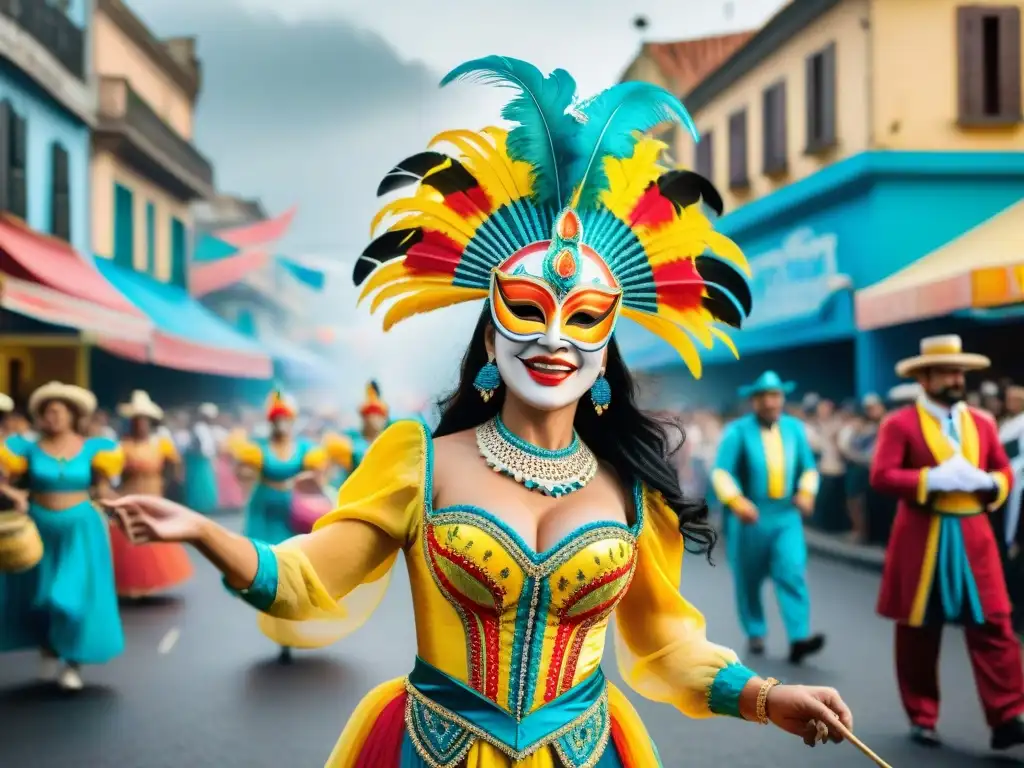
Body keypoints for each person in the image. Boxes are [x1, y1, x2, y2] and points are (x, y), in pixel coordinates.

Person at [105, 57, 855, 765]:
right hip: (434, 745)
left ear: (608, 345)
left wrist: (765, 695)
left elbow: (664, 644)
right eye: (529, 310)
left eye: (586, 317)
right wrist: (204, 531)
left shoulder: (631, 482)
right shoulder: (417, 459)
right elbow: (305, 582)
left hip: (586, 750)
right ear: (490, 332)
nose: (555, 338)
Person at [870, 334, 1024, 750]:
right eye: (946, 371)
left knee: (995, 623)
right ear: (924, 378)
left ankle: (1008, 715)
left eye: (959, 371)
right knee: (919, 629)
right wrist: (928, 479)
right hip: (924, 535)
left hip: (974, 535)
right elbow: (881, 476)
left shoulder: (983, 422)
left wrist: (992, 482)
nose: (956, 378)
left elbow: (1004, 472)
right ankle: (922, 716)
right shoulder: (898, 424)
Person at [0, 381, 125, 690]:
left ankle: (73, 663)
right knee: (39, 595)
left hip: (81, 529)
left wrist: (118, 506)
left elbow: (103, 488)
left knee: (69, 595)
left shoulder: (96, 449)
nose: (52, 417)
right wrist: (15, 494)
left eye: (58, 411)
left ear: (72, 415)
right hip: (39, 528)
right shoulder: (25, 448)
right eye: (47, 412)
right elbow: (5, 478)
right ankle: (48, 648)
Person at [712, 371, 825, 663]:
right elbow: (721, 471)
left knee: (792, 571)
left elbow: (809, 468)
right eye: (763, 396)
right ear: (754, 401)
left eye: (775, 395)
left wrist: (807, 492)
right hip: (751, 514)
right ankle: (755, 631)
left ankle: (799, 637)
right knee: (748, 578)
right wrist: (736, 501)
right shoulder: (738, 432)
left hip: (786, 515)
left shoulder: (795, 429)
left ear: (783, 398)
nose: (770, 402)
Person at [231, 390, 340, 663]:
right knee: (268, 569)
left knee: (296, 568)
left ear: (292, 421)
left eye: (285, 419)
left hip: (295, 513)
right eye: (276, 419)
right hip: (265, 512)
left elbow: (321, 475)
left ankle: (293, 621)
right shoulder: (258, 448)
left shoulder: (305, 449)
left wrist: (312, 479)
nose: (281, 424)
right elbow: (241, 471)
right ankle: (279, 625)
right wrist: (246, 471)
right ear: (270, 422)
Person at [109, 390, 192, 599]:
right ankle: (131, 585)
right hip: (131, 493)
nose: (140, 424)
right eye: (137, 420)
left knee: (152, 536)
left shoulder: (161, 444)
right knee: (131, 537)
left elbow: (176, 465)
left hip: (153, 494)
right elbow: (112, 473)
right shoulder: (123, 446)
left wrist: (168, 482)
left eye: (144, 420)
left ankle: (149, 583)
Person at [183, 403, 222, 516]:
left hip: (204, 462)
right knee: (200, 487)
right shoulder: (200, 428)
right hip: (199, 462)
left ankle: (205, 508)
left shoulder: (206, 429)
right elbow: (202, 447)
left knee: (205, 486)